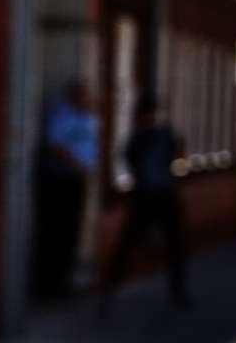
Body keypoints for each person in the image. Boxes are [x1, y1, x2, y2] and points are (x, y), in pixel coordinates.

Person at [100, 92, 192, 311]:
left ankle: (112, 287)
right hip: (155, 195)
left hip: (153, 195)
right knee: (163, 244)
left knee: (166, 244)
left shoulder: (147, 136)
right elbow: (178, 158)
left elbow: (176, 158)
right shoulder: (152, 136)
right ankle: (112, 287)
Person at [33, 79, 99, 300]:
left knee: (71, 231)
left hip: (77, 179)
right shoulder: (62, 114)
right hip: (60, 180)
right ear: (73, 95)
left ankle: (64, 281)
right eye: (83, 95)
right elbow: (55, 144)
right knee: (56, 231)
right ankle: (48, 286)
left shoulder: (86, 115)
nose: (87, 99)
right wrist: (78, 163)